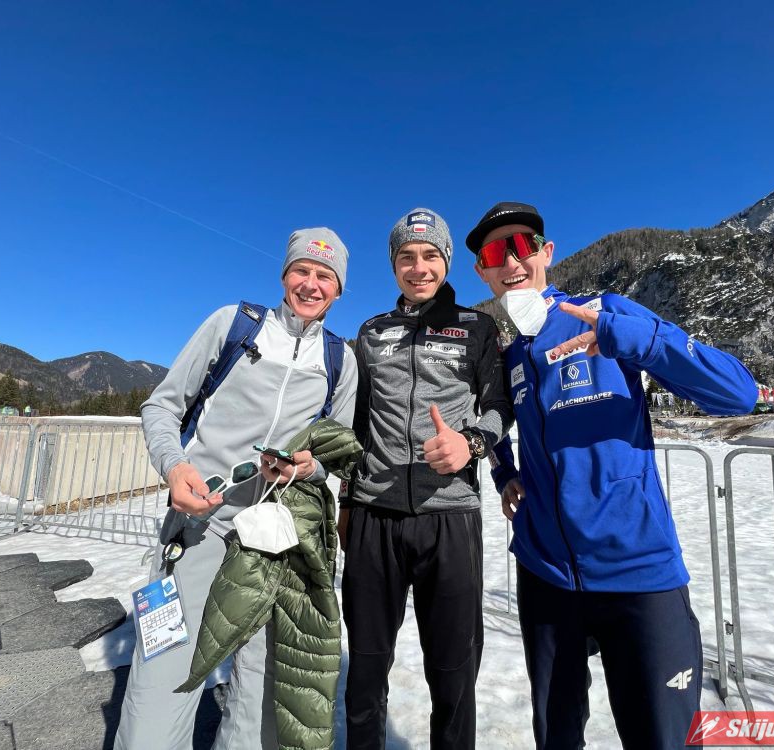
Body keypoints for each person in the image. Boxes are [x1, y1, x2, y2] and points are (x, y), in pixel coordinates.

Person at [466, 201, 758, 750]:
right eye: (494, 252)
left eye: (523, 245)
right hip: (546, 574)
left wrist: (636, 340)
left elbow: (738, 394)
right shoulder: (510, 356)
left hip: (638, 571)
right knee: (556, 737)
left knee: (664, 739)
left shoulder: (606, 314)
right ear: (483, 271)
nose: (511, 261)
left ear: (547, 253)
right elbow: (493, 417)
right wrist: (505, 472)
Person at [115, 228, 358, 750]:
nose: (311, 284)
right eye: (302, 270)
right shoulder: (233, 324)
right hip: (198, 529)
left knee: (261, 699)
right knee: (161, 681)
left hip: (275, 542)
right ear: (284, 275)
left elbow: (333, 457)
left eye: (325, 276)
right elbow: (161, 406)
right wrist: (174, 467)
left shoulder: (340, 361)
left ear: (338, 290)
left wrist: (307, 469)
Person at [340, 208, 513, 750]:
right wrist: (346, 500)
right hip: (374, 516)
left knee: (453, 671)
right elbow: (357, 423)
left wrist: (471, 444)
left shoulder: (477, 328)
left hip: (450, 518)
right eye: (407, 257)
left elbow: (500, 406)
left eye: (431, 256)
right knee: (366, 668)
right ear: (394, 265)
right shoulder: (372, 332)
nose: (419, 268)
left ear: (447, 261)